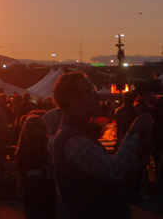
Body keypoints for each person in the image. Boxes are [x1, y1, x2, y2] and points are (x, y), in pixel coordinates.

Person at [52, 72, 152, 219]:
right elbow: (114, 171)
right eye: (90, 91)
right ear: (71, 100)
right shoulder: (73, 140)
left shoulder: (76, 134)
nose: (97, 96)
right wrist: (134, 133)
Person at [16, 114, 56, 219]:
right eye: (36, 127)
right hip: (37, 203)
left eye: (42, 127)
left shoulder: (43, 151)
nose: (40, 130)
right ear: (28, 131)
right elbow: (34, 184)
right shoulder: (29, 154)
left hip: (47, 201)